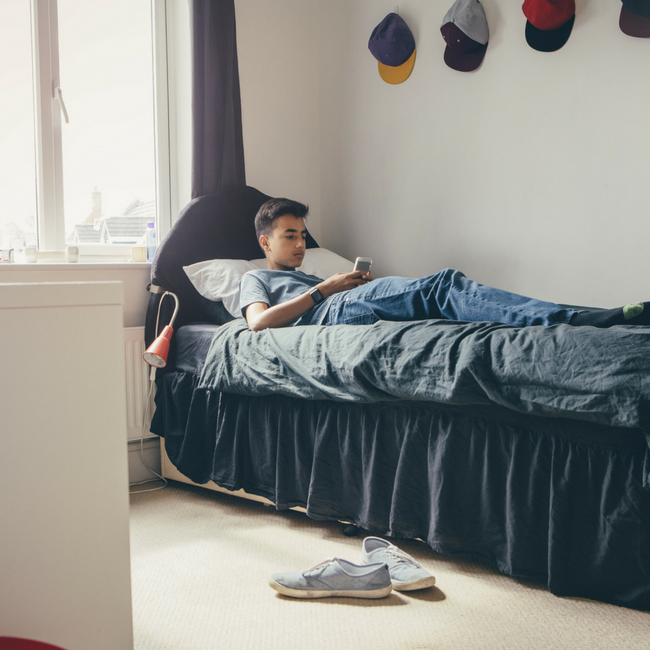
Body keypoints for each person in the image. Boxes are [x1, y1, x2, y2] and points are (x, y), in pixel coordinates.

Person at [240, 198, 649, 333]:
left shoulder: (306, 275)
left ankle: (575, 317)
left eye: (302, 235)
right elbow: (257, 324)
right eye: (289, 235)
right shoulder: (255, 277)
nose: (300, 243)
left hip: (346, 305)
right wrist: (325, 289)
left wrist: (341, 284)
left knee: (444, 299)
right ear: (265, 241)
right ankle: (576, 320)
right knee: (444, 285)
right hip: (330, 311)